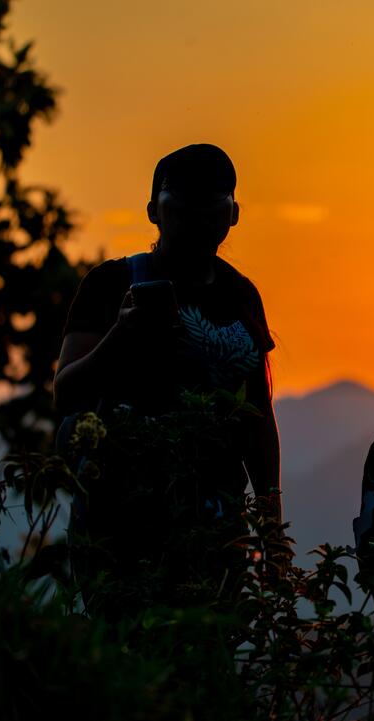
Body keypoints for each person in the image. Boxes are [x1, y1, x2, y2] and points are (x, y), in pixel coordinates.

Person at [53, 143, 281, 616]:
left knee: (204, 657)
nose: (198, 221)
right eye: (184, 208)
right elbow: (68, 391)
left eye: (213, 208)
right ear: (154, 210)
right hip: (122, 523)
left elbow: (257, 418)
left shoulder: (241, 295)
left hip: (216, 525)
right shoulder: (110, 284)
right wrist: (120, 334)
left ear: (233, 214)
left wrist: (271, 527)